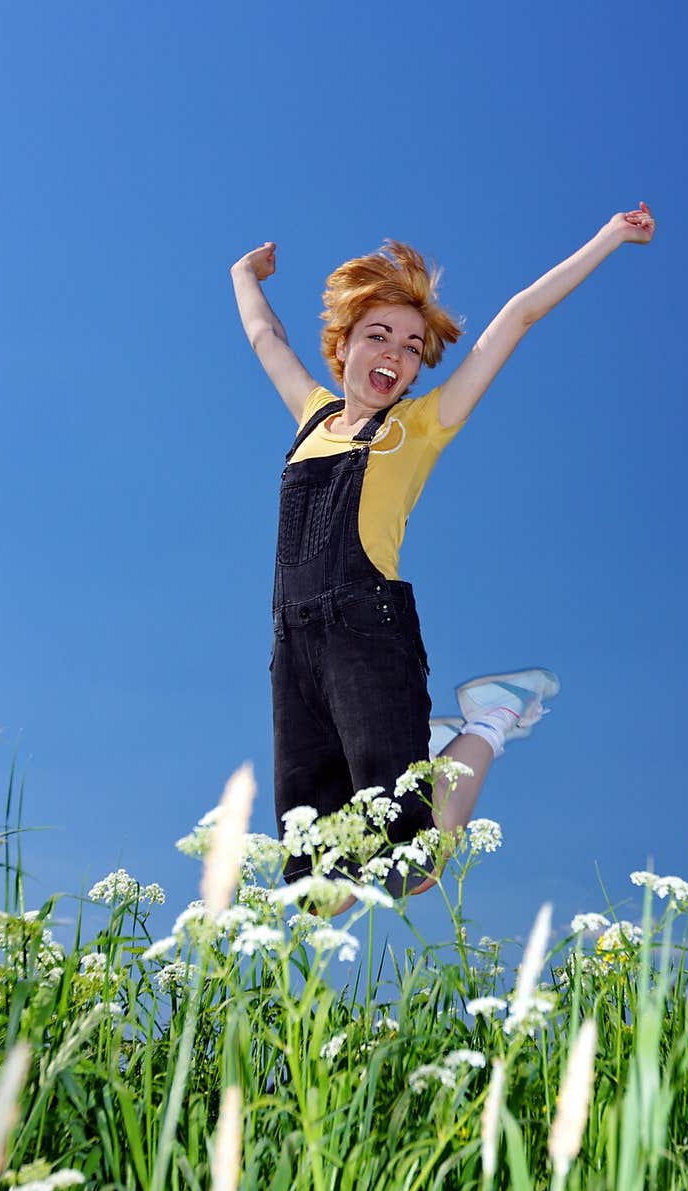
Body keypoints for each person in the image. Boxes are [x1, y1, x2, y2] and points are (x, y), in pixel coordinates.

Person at [230, 204, 656, 913]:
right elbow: (263, 332)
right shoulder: (309, 414)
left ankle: (490, 721)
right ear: (344, 345)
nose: (394, 353)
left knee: (411, 866)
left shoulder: (421, 427)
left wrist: (610, 236)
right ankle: (425, 744)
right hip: (293, 651)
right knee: (318, 893)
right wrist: (245, 273)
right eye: (379, 335)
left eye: (411, 344)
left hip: (368, 633)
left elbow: (516, 318)